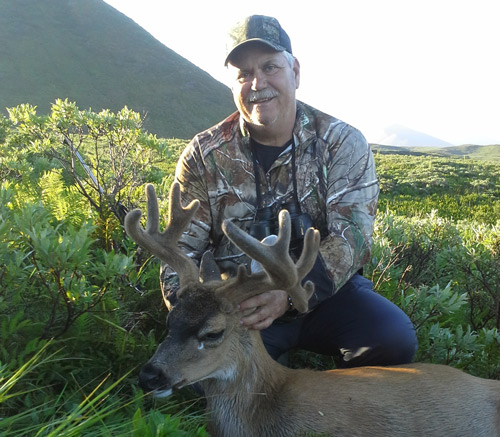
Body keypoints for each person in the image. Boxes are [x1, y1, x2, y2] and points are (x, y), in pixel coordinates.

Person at [161, 15, 417, 367]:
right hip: (240, 307)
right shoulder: (204, 156)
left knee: (391, 339)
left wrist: (288, 292)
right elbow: (179, 250)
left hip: (325, 295)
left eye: (269, 67)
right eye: (244, 74)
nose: (257, 83)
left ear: (295, 71)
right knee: (200, 379)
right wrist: (194, 308)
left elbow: (353, 238)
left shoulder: (341, 143)